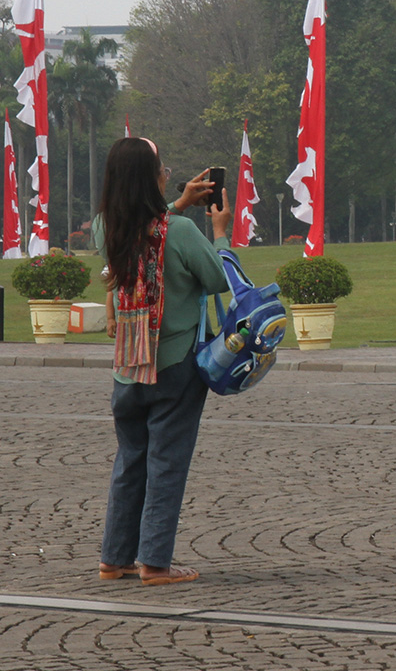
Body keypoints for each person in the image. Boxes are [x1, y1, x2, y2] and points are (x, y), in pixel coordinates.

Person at [93, 137, 231, 585]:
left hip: (127, 368)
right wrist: (221, 231)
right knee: (167, 464)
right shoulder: (182, 232)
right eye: (162, 168)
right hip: (174, 364)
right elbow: (216, 278)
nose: (168, 173)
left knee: (130, 461)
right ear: (152, 179)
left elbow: (143, 228)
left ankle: (114, 559)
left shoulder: (104, 228)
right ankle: (155, 563)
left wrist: (176, 203)